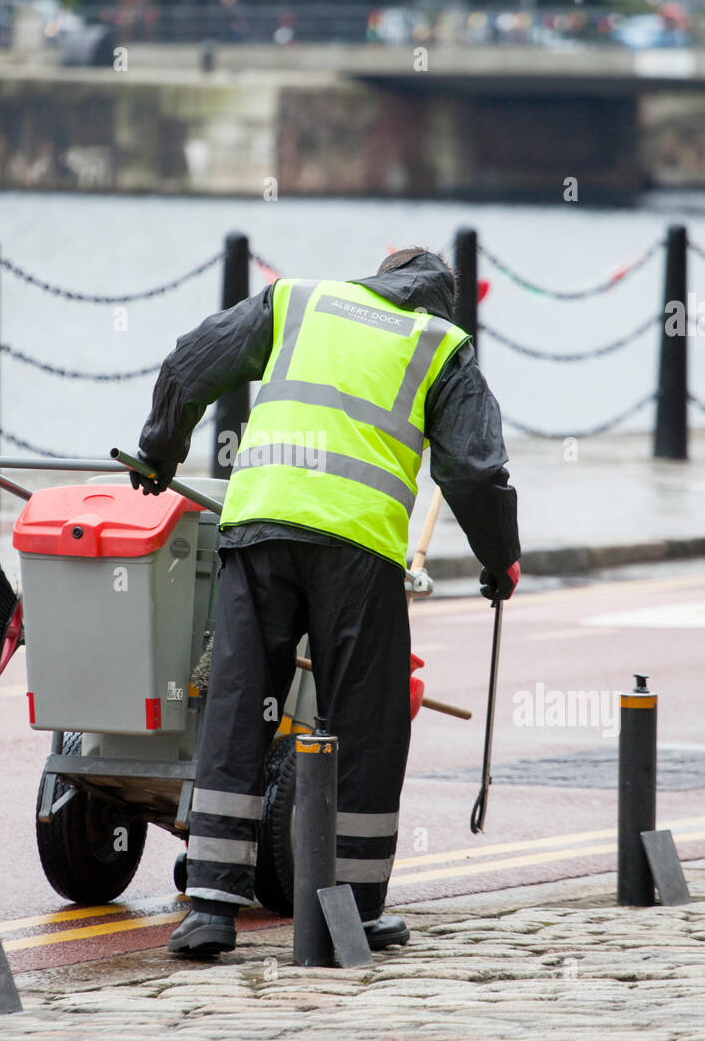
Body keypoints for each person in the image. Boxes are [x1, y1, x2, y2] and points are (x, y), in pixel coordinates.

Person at [132, 247, 521, 958]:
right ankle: (352, 910)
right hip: (356, 545)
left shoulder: (299, 302)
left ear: (380, 277)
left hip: (259, 526)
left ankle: (211, 907)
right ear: (439, 300)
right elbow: (474, 466)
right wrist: (501, 560)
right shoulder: (440, 343)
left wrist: (160, 450)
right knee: (366, 722)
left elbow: (191, 361)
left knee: (239, 703)